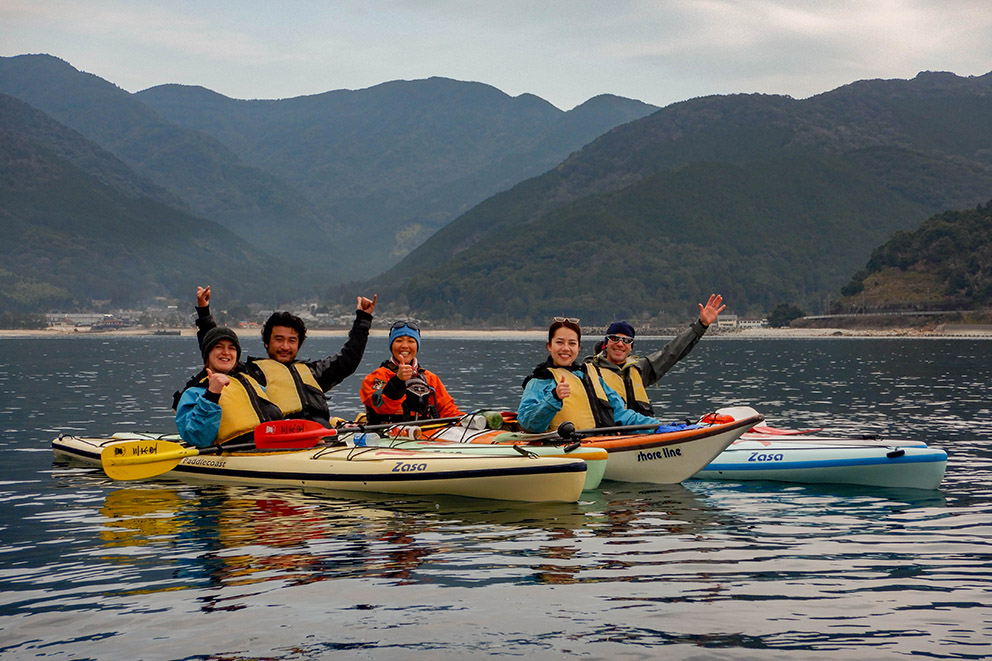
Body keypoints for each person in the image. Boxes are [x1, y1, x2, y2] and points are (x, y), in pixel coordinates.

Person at [191, 285, 376, 426]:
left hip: (322, 438)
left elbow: (348, 360)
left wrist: (363, 319)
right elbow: (218, 352)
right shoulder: (251, 375)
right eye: (279, 339)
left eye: (292, 340)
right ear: (267, 343)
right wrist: (204, 312)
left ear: (299, 344)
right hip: (283, 444)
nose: (285, 346)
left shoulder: (313, 372)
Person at [584, 294, 725, 415]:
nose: (620, 344)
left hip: (642, 433)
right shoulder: (589, 372)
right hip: (606, 438)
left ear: (631, 348)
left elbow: (672, 353)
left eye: (626, 340)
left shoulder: (641, 369)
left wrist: (701, 325)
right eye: (614, 338)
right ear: (606, 343)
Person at [517, 317, 661, 433]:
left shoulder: (591, 377)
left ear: (579, 348)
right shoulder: (538, 382)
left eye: (572, 343)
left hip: (601, 444)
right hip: (566, 447)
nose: (565, 348)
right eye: (559, 342)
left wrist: (657, 426)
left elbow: (620, 413)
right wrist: (554, 397)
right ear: (549, 346)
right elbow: (530, 424)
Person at [175, 326, 283, 448]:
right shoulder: (193, 393)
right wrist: (212, 395)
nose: (226, 352)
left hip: (270, 447)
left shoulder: (252, 384)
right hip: (235, 453)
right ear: (207, 355)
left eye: (231, 348)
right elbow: (197, 438)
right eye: (218, 347)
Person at [360, 321, 463, 424]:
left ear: (417, 346)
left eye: (411, 341)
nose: (405, 346)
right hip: (386, 434)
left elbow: (448, 410)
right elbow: (381, 406)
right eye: (399, 341)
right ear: (391, 345)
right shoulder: (377, 377)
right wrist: (398, 381)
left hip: (424, 434)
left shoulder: (430, 378)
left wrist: (466, 420)